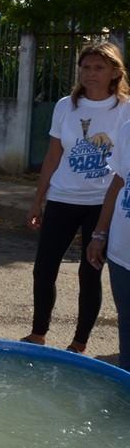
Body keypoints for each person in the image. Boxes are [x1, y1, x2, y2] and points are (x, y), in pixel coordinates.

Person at [23, 42, 130, 354]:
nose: (90, 73)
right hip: (62, 198)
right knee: (44, 268)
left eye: (99, 68)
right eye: (85, 67)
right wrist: (38, 200)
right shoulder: (65, 106)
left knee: (90, 273)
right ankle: (38, 333)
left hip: (102, 204)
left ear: (115, 72)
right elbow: (53, 155)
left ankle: (79, 343)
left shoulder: (125, 108)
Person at [88, 118, 130, 371]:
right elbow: (118, 182)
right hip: (121, 253)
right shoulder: (127, 128)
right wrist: (99, 234)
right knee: (126, 324)